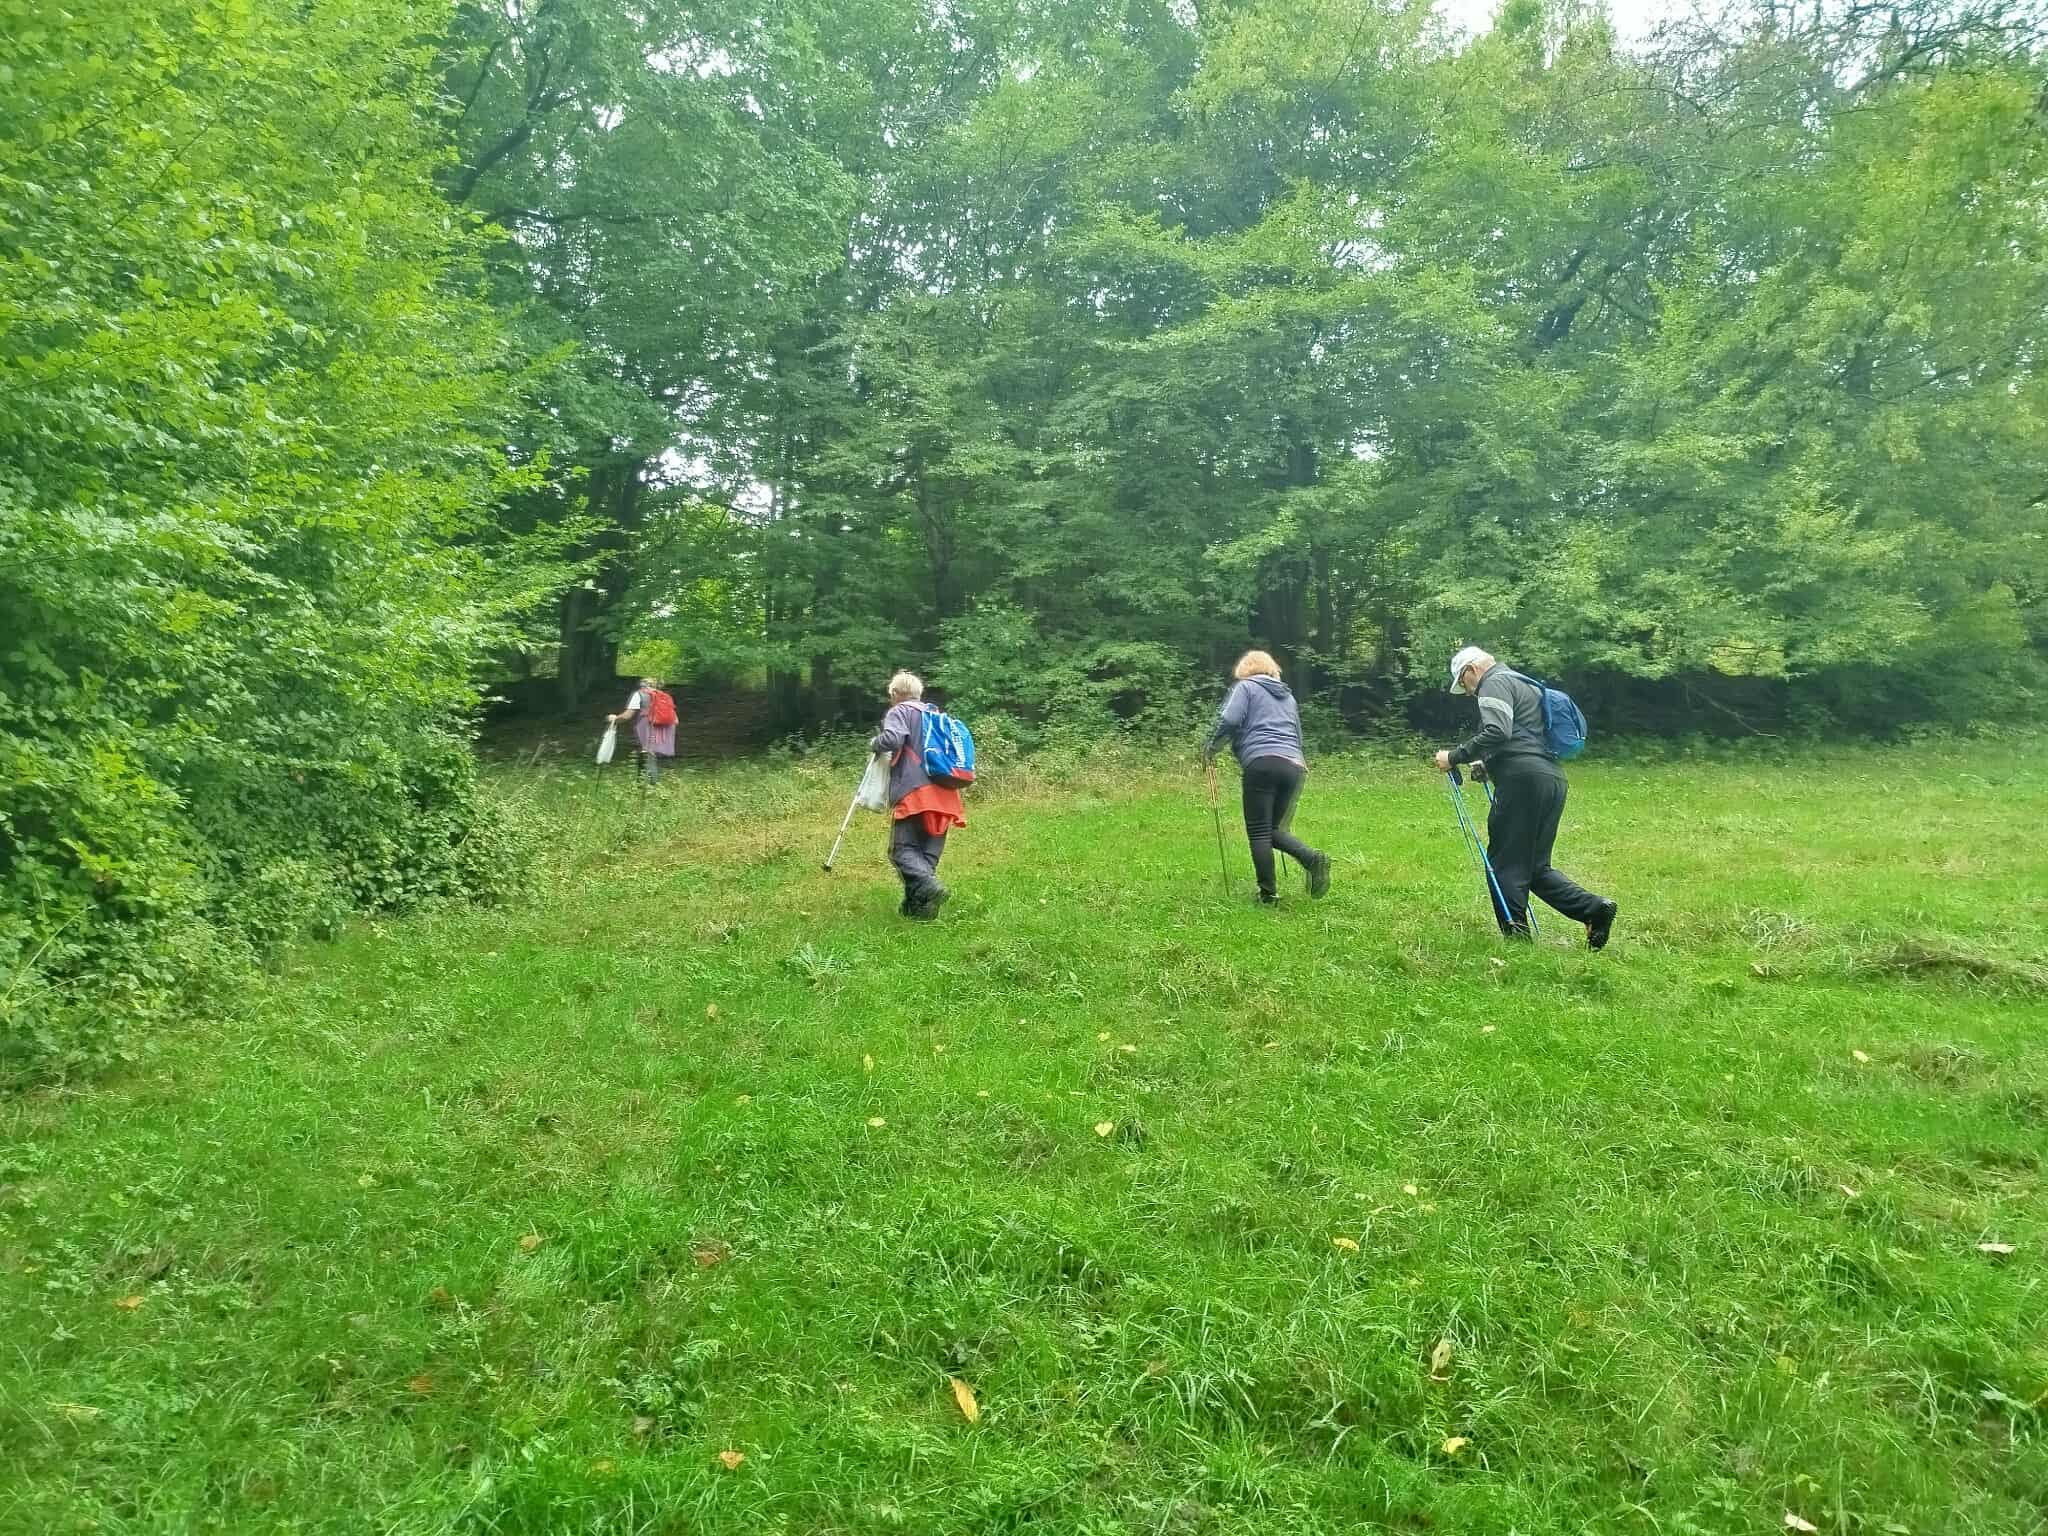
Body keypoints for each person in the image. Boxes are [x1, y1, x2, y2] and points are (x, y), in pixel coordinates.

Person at [1434, 645, 1617, 948]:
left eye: (1464, 684)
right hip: (1551, 779)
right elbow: (1524, 737)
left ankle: (1517, 942)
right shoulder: (1524, 684)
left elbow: (1498, 731)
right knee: (1534, 867)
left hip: (1522, 782)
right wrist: (1488, 763)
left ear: (1471, 670)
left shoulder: (1493, 682)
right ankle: (1594, 909)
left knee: (1503, 864)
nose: (1468, 692)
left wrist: (1454, 756)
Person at [1201, 651, 1331, 904]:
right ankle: (1312, 859)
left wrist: (1211, 747)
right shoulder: (1288, 696)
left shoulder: (1246, 687)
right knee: (1272, 830)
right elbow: (1297, 734)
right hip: (1293, 765)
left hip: (1262, 762)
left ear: (1245, 669)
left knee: (1259, 831)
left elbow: (1230, 718)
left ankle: (1268, 894)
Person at [871, 670, 966, 919]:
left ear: (895, 693)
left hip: (916, 792)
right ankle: (919, 911)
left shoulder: (900, 711)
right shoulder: (936, 715)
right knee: (925, 856)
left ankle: (931, 888)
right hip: (947, 795)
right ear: (918, 693)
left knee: (902, 851)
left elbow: (893, 739)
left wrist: (875, 744)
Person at [607, 677, 676, 785]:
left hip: (647, 725)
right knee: (649, 754)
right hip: (665, 729)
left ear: (642, 685)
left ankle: (649, 785)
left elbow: (627, 715)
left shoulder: (639, 694)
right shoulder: (665, 696)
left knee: (647, 754)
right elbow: (675, 719)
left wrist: (615, 719)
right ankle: (644, 784)